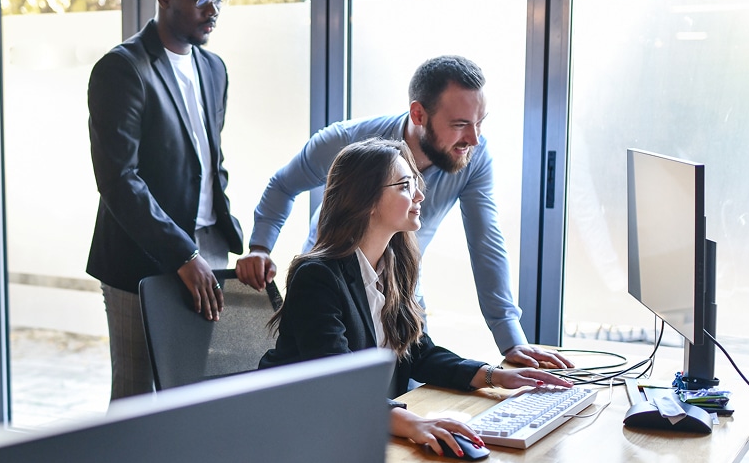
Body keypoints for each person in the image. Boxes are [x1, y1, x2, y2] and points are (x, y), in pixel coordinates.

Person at [238, 55, 574, 370]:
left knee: (411, 382)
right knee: (350, 393)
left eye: (479, 123)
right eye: (459, 124)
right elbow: (283, 185)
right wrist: (260, 247)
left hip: (400, 286)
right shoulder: (347, 142)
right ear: (418, 115)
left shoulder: (474, 153)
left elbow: (487, 244)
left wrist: (511, 343)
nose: (473, 138)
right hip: (333, 289)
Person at [259, 139, 571, 457]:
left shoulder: (396, 264)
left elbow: (418, 352)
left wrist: (494, 376)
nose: (420, 195)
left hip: (365, 432)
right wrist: (414, 424)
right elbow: (339, 383)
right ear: (367, 200)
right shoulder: (317, 276)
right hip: (302, 441)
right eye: (405, 186)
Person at [87, 0, 243, 400]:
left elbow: (209, 160)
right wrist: (181, 253)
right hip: (142, 258)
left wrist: (224, 238)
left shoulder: (214, 68)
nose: (212, 10)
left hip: (209, 250)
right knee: (136, 397)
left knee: (200, 388)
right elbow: (119, 179)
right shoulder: (122, 69)